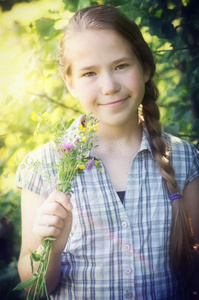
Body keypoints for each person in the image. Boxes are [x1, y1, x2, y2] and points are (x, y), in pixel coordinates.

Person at [16, 5, 199, 300]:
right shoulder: (44, 166)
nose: (109, 86)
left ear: (145, 67)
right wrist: (51, 247)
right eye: (89, 73)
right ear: (70, 82)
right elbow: (36, 286)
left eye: (121, 66)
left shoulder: (183, 158)